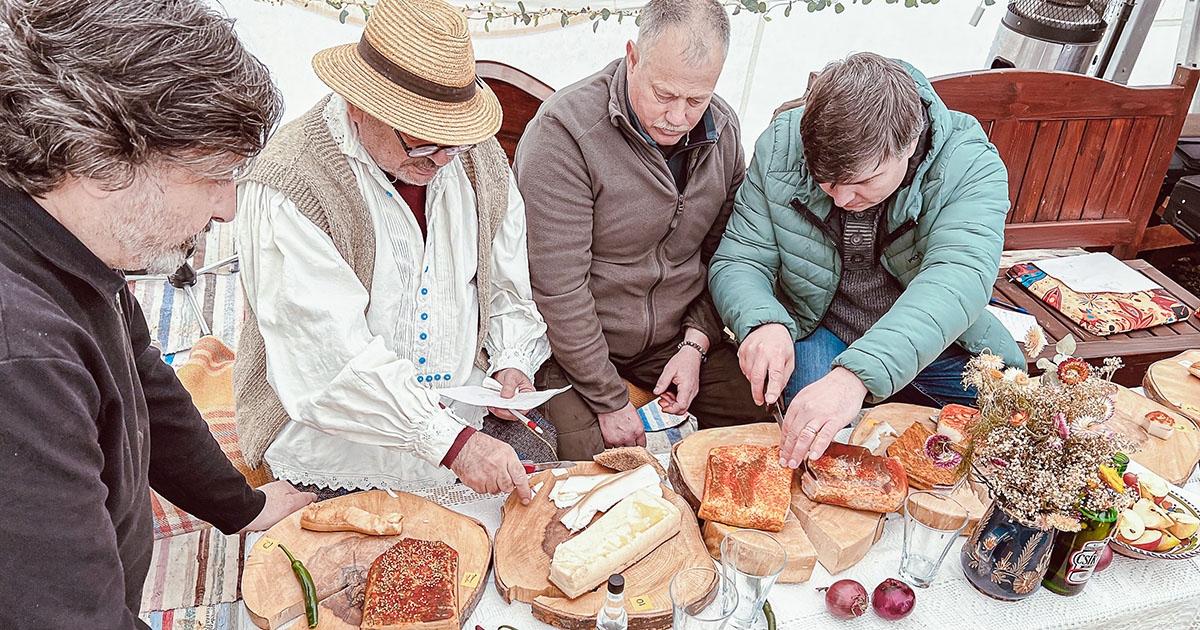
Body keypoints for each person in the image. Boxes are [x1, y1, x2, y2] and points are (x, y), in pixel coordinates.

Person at [0, 1, 315, 627]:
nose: (227, 209)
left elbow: (145, 382)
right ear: (104, 162)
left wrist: (240, 507)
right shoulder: (22, 357)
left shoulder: (71, 242)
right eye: (217, 175)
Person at [234, 0, 549, 503]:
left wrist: (512, 363)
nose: (443, 160)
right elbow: (327, 364)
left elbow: (507, 287)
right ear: (360, 103)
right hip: (332, 435)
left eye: (456, 142)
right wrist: (453, 445)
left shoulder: (474, 157)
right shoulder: (290, 184)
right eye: (423, 143)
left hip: (460, 406)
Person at [708, 52, 1024, 468]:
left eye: (861, 182)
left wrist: (857, 376)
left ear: (909, 144)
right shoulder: (782, 145)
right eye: (826, 182)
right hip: (819, 323)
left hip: (935, 339)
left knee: (1011, 432)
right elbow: (740, 258)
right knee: (812, 444)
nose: (840, 199)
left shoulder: (970, 164)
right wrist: (763, 321)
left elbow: (956, 281)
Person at [515, 0, 774, 460]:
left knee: (763, 414)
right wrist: (610, 400)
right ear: (633, 57)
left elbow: (728, 255)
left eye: (697, 100)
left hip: (678, 338)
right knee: (597, 464)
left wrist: (696, 344)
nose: (678, 117)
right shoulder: (564, 134)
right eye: (664, 94)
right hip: (573, 350)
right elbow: (558, 290)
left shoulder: (725, 130)